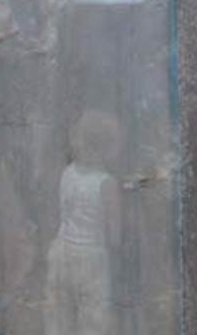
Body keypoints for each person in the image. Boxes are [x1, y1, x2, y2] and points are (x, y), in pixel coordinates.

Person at [45, 110, 124, 335]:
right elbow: (115, 235)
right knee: (93, 318)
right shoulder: (106, 183)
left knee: (59, 315)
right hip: (91, 257)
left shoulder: (67, 172)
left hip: (61, 251)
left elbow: (61, 211)